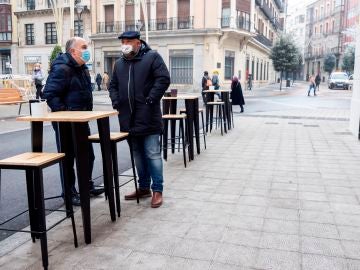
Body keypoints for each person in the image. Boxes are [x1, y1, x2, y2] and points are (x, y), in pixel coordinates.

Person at [108, 31, 170, 208]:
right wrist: (116, 101)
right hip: (128, 118)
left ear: (138, 42)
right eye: (123, 42)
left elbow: (163, 79)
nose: (125, 44)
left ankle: (157, 190)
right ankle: (144, 187)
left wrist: (150, 99)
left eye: (128, 41)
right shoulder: (119, 64)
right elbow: (113, 85)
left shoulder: (152, 57)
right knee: (137, 154)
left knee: (152, 153)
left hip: (148, 116)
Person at [42, 37, 104, 206]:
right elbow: (49, 94)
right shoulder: (61, 68)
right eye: (83, 47)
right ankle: (69, 193)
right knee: (68, 159)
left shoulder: (82, 68)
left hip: (81, 120)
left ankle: (87, 186)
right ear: (73, 51)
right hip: (66, 123)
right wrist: (65, 113)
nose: (87, 50)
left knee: (88, 156)